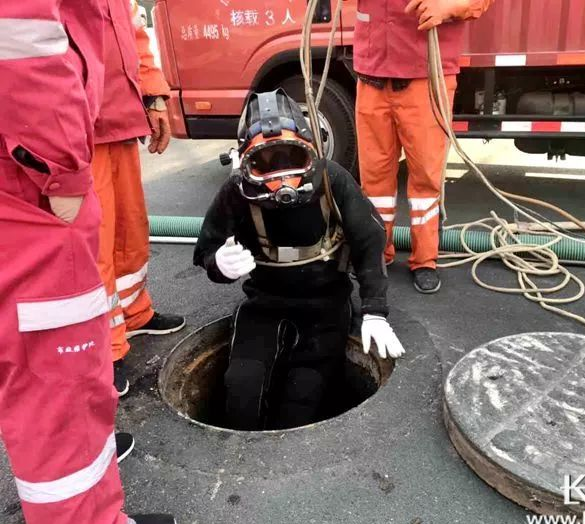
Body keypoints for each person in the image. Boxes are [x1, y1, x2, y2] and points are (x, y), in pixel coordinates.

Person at [0, 1, 176, 524]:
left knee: (66, 360)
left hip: (81, 133)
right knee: (56, 368)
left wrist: (152, 93)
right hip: (39, 165)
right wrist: (60, 169)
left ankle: (91, 478)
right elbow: (23, 33)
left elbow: (122, 26)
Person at [194, 90, 405, 430]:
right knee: (242, 389)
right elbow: (207, 247)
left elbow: (369, 241)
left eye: (292, 157)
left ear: (311, 151)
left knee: (303, 398)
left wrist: (375, 311)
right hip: (264, 303)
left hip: (326, 304)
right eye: (265, 163)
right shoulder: (237, 192)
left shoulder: (332, 180)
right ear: (245, 161)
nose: (282, 180)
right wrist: (217, 263)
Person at [354, 0, 495, 293]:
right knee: (374, 179)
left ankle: (425, 260)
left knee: (426, 177)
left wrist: (450, 5)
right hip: (372, 74)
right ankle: (377, 252)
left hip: (426, 78)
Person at [93, 0, 186, 397]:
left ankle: (134, 313)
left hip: (118, 116)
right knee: (93, 245)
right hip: (76, 128)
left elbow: (131, 31)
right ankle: (102, 348)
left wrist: (152, 95)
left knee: (130, 230)